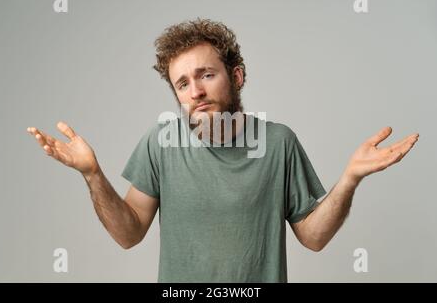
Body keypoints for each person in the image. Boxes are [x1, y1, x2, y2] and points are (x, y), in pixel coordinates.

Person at [26, 18, 419, 282]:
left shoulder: (279, 143)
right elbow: (129, 234)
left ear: (236, 76)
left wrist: (349, 179)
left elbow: (313, 238)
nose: (195, 91)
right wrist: (93, 175)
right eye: (182, 84)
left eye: (206, 75)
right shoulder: (160, 144)